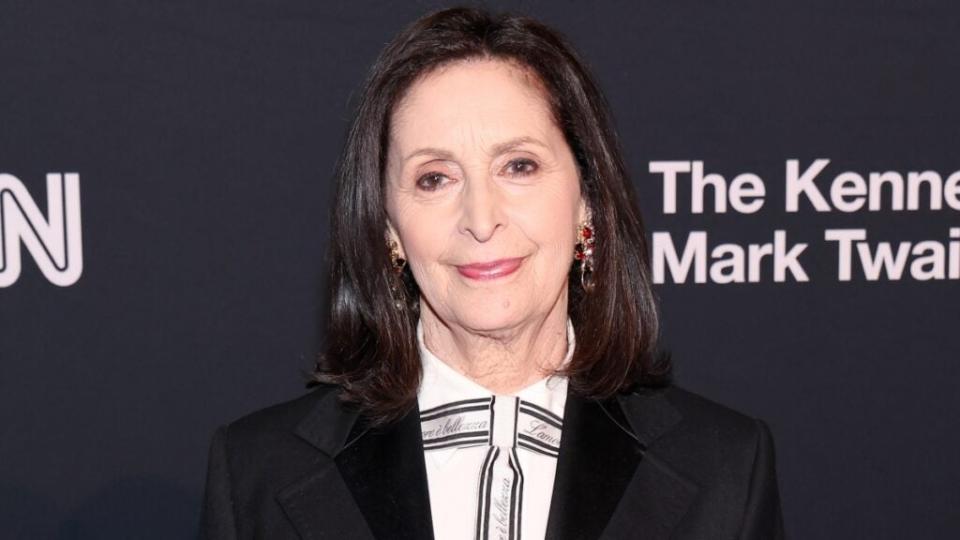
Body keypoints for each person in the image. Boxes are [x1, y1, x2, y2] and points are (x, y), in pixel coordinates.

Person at [199, 6, 785, 540]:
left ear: (587, 200)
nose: (481, 219)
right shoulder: (258, 472)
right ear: (389, 228)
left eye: (519, 166)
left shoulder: (723, 469)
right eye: (435, 178)